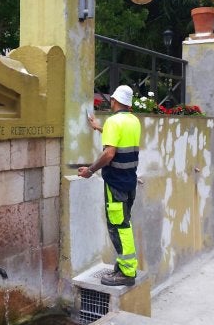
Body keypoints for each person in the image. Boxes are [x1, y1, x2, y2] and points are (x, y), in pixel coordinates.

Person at [78, 85, 141, 286]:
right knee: (124, 223)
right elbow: (118, 137)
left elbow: (109, 154)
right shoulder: (133, 121)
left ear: (114, 101)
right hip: (129, 181)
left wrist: (90, 170)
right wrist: (99, 128)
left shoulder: (114, 121)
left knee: (118, 226)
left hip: (115, 182)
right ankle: (124, 266)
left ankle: (127, 272)